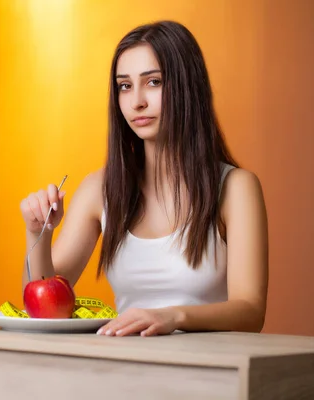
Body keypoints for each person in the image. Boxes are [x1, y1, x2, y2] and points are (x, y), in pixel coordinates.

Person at [19, 20, 268, 337]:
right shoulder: (99, 189)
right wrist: (37, 234)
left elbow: (250, 311)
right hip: (123, 371)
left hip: (209, 375)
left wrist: (173, 317)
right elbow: (42, 308)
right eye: (125, 86)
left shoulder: (235, 188)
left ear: (187, 87)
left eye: (153, 82)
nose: (136, 101)